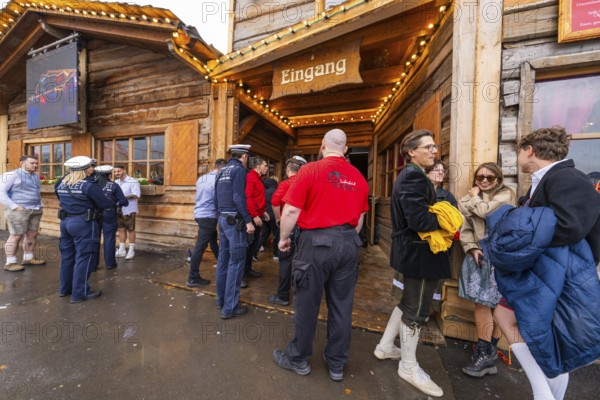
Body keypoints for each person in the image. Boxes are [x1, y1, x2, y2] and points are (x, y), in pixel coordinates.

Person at [491, 126, 600, 399]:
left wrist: (517, 227)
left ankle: (543, 393)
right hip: (547, 272)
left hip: (562, 273)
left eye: (519, 152)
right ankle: (546, 394)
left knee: (511, 319)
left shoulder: (568, 177)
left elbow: (571, 227)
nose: (518, 159)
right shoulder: (549, 178)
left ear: (530, 150)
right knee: (541, 334)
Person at [272, 129, 369, 382]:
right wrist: (345, 238)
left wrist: (283, 238)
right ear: (345, 149)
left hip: (315, 243)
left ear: (323, 145)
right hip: (348, 242)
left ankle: (298, 359)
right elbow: (360, 220)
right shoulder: (358, 176)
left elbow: (291, 211)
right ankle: (336, 364)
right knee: (342, 305)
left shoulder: (310, 170)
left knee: (307, 303)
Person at [374, 129, 452, 397]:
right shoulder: (414, 178)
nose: (434, 151)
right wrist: (447, 217)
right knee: (416, 311)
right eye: (428, 147)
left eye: (434, 146)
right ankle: (408, 367)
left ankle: (385, 347)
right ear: (411, 152)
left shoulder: (412, 176)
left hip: (415, 254)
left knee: (407, 302)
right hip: (420, 255)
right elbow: (418, 221)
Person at [457, 162, 516, 377]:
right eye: (479, 177)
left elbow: (483, 212)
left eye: (489, 178)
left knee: (493, 306)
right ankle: (487, 354)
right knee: (482, 304)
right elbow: (465, 226)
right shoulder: (469, 198)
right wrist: (471, 247)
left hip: (499, 256)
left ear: (498, 180)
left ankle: (485, 352)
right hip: (480, 255)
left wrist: (473, 197)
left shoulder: (506, 195)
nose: (483, 180)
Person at [55, 156, 113, 303]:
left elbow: (61, 200)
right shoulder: (88, 186)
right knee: (84, 257)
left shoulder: (61, 184)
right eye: (89, 167)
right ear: (83, 170)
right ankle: (80, 293)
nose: (92, 169)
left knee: (68, 257)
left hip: (66, 222)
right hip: (84, 223)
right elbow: (105, 204)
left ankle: (65, 289)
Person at [214, 144, 255, 319]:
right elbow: (238, 197)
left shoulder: (222, 171)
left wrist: (219, 218)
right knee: (237, 262)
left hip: (223, 218)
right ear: (244, 157)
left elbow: (215, 198)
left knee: (223, 260)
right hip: (234, 219)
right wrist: (248, 221)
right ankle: (230, 308)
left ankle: (221, 300)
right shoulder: (239, 171)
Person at [268, 156, 307, 307]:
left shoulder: (285, 184)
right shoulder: (307, 183)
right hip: (306, 229)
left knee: (285, 261)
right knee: (303, 261)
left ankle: (283, 295)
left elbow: (275, 201)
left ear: (288, 169)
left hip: (290, 227)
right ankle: (302, 294)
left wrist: (279, 219)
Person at [0, 155, 46, 272]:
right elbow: (1, 192)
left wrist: (40, 204)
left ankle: (28, 258)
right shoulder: (11, 175)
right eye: (32, 163)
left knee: (32, 234)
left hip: (35, 209)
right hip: (18, 211)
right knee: (16, 236)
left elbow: (35, 191)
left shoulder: (35, 176)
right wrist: (15, 206)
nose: (35, 165)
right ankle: (10, 262)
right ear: (22, 163)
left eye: (36, 163)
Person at [186, 158, 227, 287]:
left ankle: (223, 266)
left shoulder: (202, 178)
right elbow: (217, 199)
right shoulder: (217, 179)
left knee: (213, 241)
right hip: (209, 215)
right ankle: (193, 277)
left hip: (199, 213)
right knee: (200, 246)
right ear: (222, 168)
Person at [88, 165, 128, 270]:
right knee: (109, 239)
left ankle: (93, 265)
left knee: (94, 239)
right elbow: (124, 201)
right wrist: (116, 203)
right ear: (109, 174)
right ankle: (110, 264)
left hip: (95, 214)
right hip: (109, 214)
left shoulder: (91, 185)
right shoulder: (114, 185)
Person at [243, 157, 269, 283]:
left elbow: (257, 198)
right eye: (265, 165)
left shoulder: (258, 178)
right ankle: (242, 274)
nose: (267, 168)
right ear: (258, 166)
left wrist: (263, 211)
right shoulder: (251, 177)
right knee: (247, 246)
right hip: (252, 218)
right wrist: (254, 215)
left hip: (258, 215)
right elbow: (248, 197)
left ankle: (248, 270)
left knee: (253, 245)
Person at [113, 165, 141, 260]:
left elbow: (136, 194)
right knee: (121, 229)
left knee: (131, 229)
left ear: (124, 170)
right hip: (118, 209)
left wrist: (122, 198)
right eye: (115, 172)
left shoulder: (132, 181)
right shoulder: (116, 182)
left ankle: (131, 249)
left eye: (119, 171)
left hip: (129, 208)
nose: (117, 173)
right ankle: (122, 249)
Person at [255, 177, 279, 260]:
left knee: (263, 235)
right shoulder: (276, 191)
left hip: (265, 216)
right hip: (274, 217)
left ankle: (254, 253)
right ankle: (276, 254)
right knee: (276, 235)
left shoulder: (263, 192)